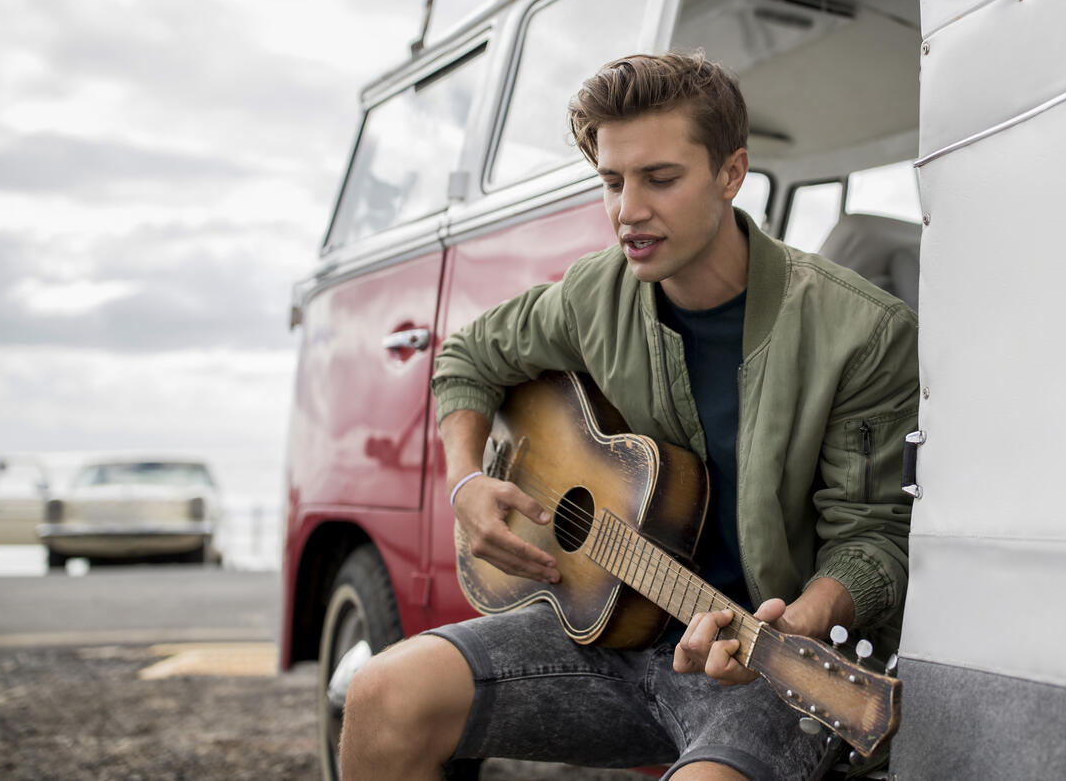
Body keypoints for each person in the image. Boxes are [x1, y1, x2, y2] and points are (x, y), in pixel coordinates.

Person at [342, 52, 919, 781]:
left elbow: (873, 541)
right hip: (605, 635)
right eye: (612, 181)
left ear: (731, 173)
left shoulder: (859, 331)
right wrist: (464, 483)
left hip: (766, 671)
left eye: (660, 178)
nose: (628, 210)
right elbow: (467, 360)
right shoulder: (594, 292)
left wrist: (795, 622)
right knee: (380, 694)